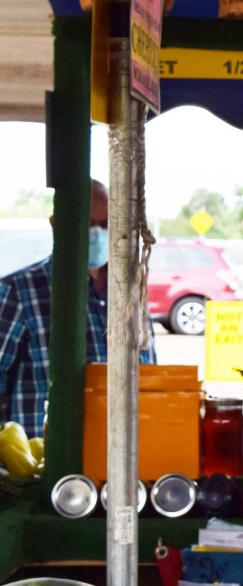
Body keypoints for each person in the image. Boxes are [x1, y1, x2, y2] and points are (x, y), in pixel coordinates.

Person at [0, 179, 157, 437]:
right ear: (56, 224)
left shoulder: (131, 294)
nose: (97, 233)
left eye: (107, 225)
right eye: (87, 224)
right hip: (44, 465)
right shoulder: (19, 292)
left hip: (121, 459)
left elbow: (150, 375)